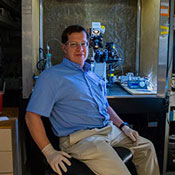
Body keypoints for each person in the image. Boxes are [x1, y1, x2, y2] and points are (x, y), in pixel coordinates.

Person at [25, 25, 160, 175]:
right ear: (64, 48)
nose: (79, 49)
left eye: (83, 44)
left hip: (109, 130)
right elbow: (31, 116)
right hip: (82, 139)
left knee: (147, 147)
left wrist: (124, 126)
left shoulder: (92, 75)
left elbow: (105, 106)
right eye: (73, 44)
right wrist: (49, 152)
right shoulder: (51, 77)